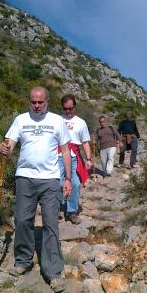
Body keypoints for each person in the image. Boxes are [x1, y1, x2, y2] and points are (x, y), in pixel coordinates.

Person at [0, 86, 72, 293]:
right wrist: (6, 149)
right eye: (33, 102)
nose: (37, 105)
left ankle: (54, 272)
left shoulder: (57, 121)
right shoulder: (21, 120)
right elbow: (10, 144)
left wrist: (68, 178)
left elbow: (65, 151)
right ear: (29, 101)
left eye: (40, 102)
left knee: (50, 224)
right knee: (22, 220)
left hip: (50, 180)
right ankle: (23, 260)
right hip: (25, 177)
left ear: (47, 101)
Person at [58, 94, 92, 225]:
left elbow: (85, 142)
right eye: (65, 109)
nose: (68, 111)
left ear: (74, 107)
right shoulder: (57, 120)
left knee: (76, 183)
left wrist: (88, 158)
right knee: (57, 182)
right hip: (58, 155)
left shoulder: (81, 122)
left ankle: (71, 211)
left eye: (70, 108)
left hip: (74, 157)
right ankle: (57, 208)